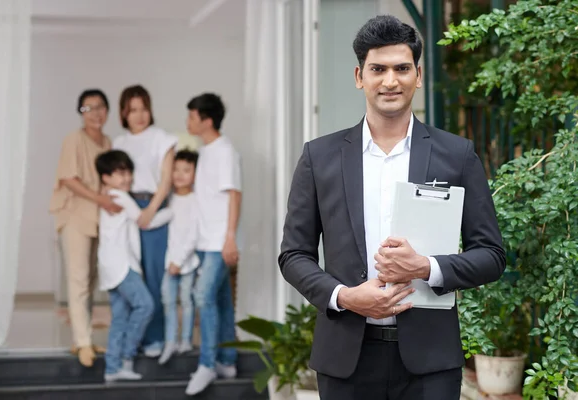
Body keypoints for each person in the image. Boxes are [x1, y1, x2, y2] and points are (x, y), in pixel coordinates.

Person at [278, 15, 506, 400]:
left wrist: (427, 267)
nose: (390, 81)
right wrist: (344, 296)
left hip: (430, 363)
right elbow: (293, 255)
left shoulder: (456, 155)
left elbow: (492, 255)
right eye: (377, 69)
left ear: (418, 75)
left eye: (402, 69)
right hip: (345, 359)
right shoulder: (320, 157)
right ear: (359, 76)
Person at [49, 89, 120, 367]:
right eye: (88, 108)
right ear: (81, 113)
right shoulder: (73, 140)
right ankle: (82, 342)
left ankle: (85, 338)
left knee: (90, 281)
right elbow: (68, 178)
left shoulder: (108, 142)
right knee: (78, 280)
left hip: (98, 219)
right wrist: (100, 198)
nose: (95, 113)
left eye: (100, 106)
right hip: (75, 215)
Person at [95, 149, 173, 381]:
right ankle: (127, 356)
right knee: (145, 306)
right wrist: (172, 211)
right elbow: (144, 221)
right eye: (120, 173)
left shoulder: (108, 196)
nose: (127, 178)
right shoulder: (119, 197)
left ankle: (113, 368)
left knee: (119, 317)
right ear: (106, 177)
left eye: (128, 172)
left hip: (109, 267)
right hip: (122, 266)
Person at [113, 85, 178, 357]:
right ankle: (132, 339)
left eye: (144, 108)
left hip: (152, 206)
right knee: (130, 274)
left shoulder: (162, 138)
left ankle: (154, 338)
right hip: (125, 210)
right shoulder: (119, 143)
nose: (139, 115)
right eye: (133, 110)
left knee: (153, 276)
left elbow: (166, 180)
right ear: (124, 113)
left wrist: (151, 209)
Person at [184, 93, 241, 396]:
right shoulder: (204, 151)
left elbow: (234, 194)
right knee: (219, 300)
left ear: (206, 120)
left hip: (220, 241)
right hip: (206, 241)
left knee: (202, 296)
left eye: (191, 117)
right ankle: (227, 362)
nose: (188, 122)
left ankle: (207, 363)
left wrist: (230, 237)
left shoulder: (224, 151)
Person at [158, 149, 200, 365]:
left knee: (186, 300)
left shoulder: (196, 200)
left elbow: (193, 236)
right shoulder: (169, 199)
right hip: (169, 261)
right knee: (168, 301)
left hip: (187, 262)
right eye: (176, 169)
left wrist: (179, 261)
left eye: (186, 170)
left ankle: (185, 341)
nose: (180, 174)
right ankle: (170, 341)